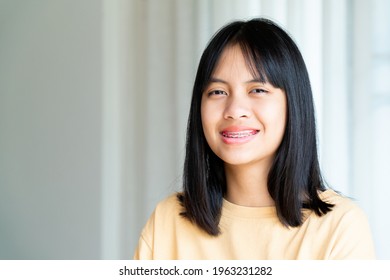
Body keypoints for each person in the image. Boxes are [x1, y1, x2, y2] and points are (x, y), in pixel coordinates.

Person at [133, 18, 376, 259]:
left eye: (257, 90)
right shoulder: (167, 221)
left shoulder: (339, 228)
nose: (235, 109)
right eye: (218, 92)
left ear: (293, 104)